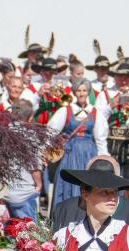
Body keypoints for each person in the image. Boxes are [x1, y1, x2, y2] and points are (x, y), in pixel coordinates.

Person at [48, 78, 109, 210]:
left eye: (84, 90)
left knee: (86, 184)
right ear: (74, 93)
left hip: (89, 154)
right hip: (70, 155)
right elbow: (50, 132)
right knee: (67, 184)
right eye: (79, 91)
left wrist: (103, 159)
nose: (81, 93)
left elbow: (100, 139)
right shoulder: (65, 111)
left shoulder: (95, 112)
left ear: (88, 93)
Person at [4, 100, 43, 220]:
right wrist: (39, 184)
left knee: (9, 232)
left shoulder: (3, 133)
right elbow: (33, 165)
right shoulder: (31, 135)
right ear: (30, 117)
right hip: (25, 193)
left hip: (6, 192)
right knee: (29, 233)